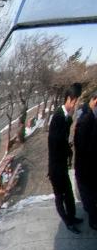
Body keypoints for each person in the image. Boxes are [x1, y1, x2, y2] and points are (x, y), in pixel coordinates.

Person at [47, 82, 83, 232]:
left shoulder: (65, 117)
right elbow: (54, 142)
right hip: (56, 166)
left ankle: (72, 216)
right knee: (60, 196)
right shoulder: (58, 117)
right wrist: (66, 147)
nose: (75, 105)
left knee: (68, 192)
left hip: (61, 164)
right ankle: (68, 222)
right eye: (74, 101)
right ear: (69, 99)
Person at [73, 92, 97, 229]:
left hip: (87, 165)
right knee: (89, 195)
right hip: (87, 166)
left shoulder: (87, 115)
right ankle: (93, 220)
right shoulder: (87, 118)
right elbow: (83, 146)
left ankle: (93, 217)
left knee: (90, 193)